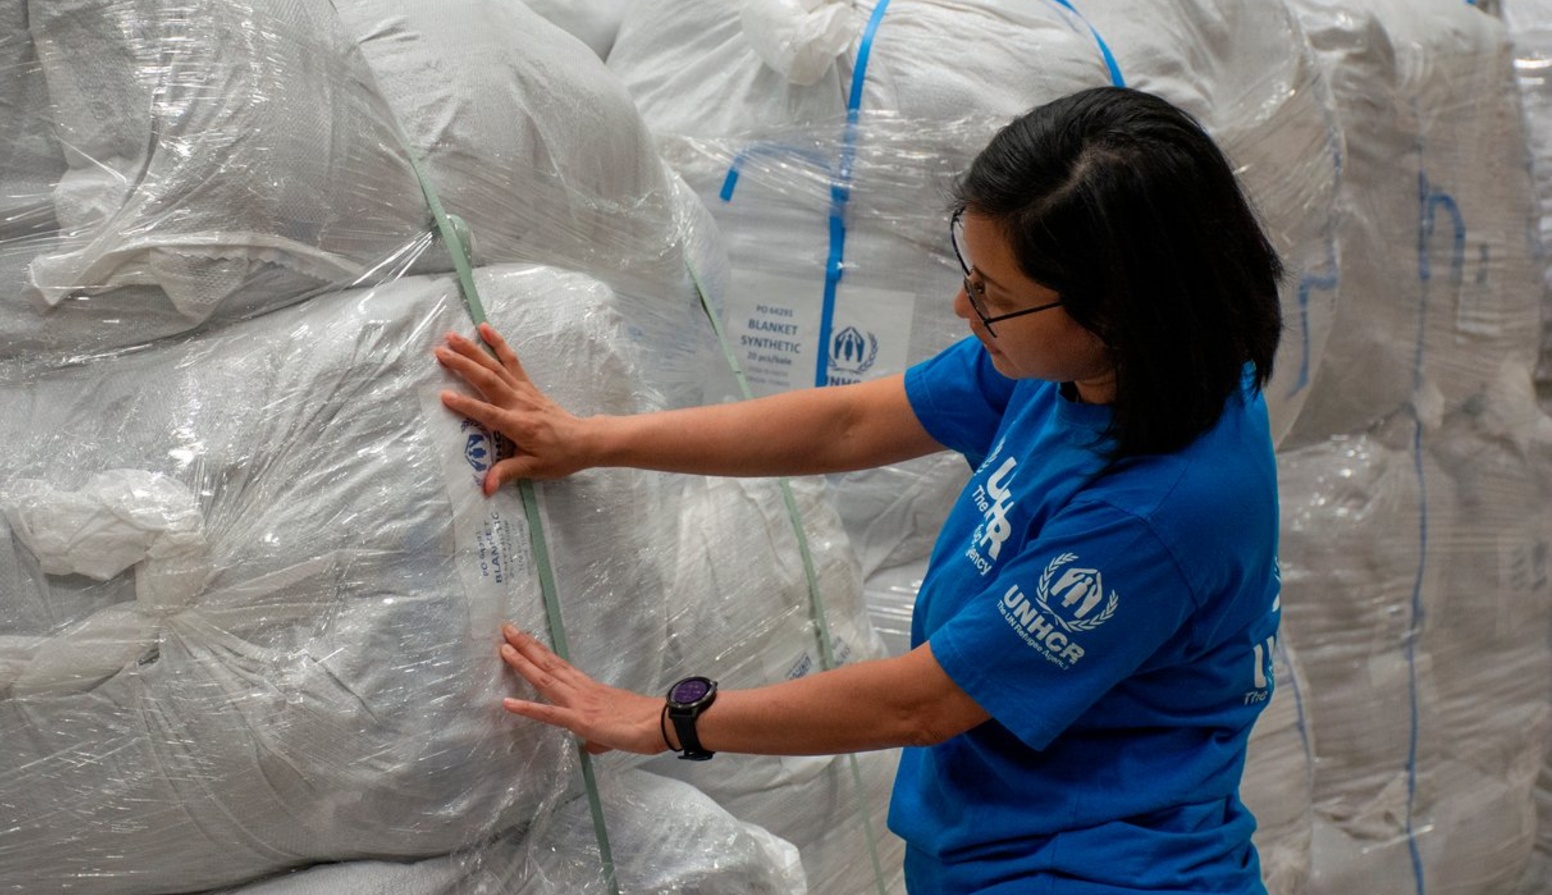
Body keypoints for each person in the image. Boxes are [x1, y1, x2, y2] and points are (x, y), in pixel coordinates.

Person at [434, 86, 1284, 895]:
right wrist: (590, 440)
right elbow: (848, 424)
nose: (962, 307)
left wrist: (665, 717)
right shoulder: (1088, 372)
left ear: (1114, 313)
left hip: (1089, 869)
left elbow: (923, 699)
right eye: (972, 275)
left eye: (995, 298)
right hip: (994, 848)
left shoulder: (1162, 506)